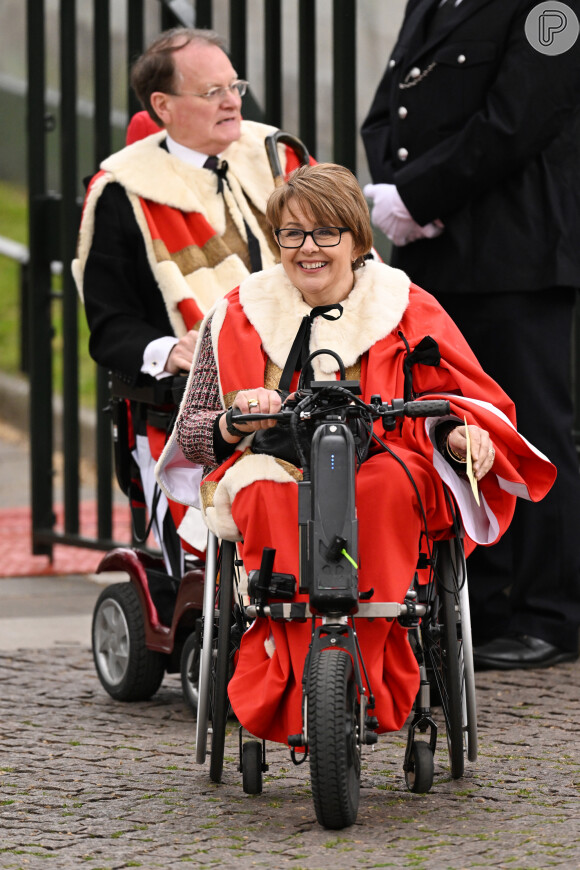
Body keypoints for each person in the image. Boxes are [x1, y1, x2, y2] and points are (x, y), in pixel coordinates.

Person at [156, 162, 554, 745]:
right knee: (264, 493)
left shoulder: (406, 307)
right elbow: (192, 435)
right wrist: (236, 418)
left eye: (325, 233)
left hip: (383, 458)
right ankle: (292, 680)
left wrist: (455, 435)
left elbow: (450, 398)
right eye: (292, 234)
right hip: (276, 462)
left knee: (392, 488)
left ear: (356, 239)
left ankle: (370, 674)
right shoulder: (236, 312)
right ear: (277, 241)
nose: (307, 249)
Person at [361, 0, 580, 669]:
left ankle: (551, 612)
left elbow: (519, 118)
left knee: (532, 428)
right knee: (453, 422)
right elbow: (392, 102)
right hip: (440, 253)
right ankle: (478, 603)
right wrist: (397, 189)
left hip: (516, 254)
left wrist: (420, 196)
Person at [72, 27, 310, 574]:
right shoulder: (123, 191)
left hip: (309, 383)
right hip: (197, 404)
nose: (233, 103)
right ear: (163, 105)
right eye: (212, 92)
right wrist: (170, 350)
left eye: (235, 87)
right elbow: (111, 327)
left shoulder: (277, 159)